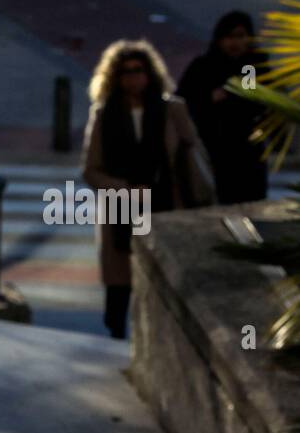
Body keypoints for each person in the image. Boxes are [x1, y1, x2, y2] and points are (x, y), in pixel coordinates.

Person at [82, 39, 215, 340]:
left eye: (138, 70)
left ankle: (159, 338)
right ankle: (116, 340)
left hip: (166, 203)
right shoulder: (105, 114)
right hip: (122, 210)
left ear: (149, 73)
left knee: (164, 279)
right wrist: (124, 188)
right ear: (114, 77)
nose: (133, 77)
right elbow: (91, 169)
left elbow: (193, 152)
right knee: (120, 289)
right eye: (125, 71)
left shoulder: (172, 110)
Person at [177, 10, 269, 204]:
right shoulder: (203, 67)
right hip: (211, 150)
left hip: (248, 153)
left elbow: (259, 101)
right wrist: (209, 98)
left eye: (240, 36)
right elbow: (181, 102)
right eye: (229, 36)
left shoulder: (254, 67)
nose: (234, 43)